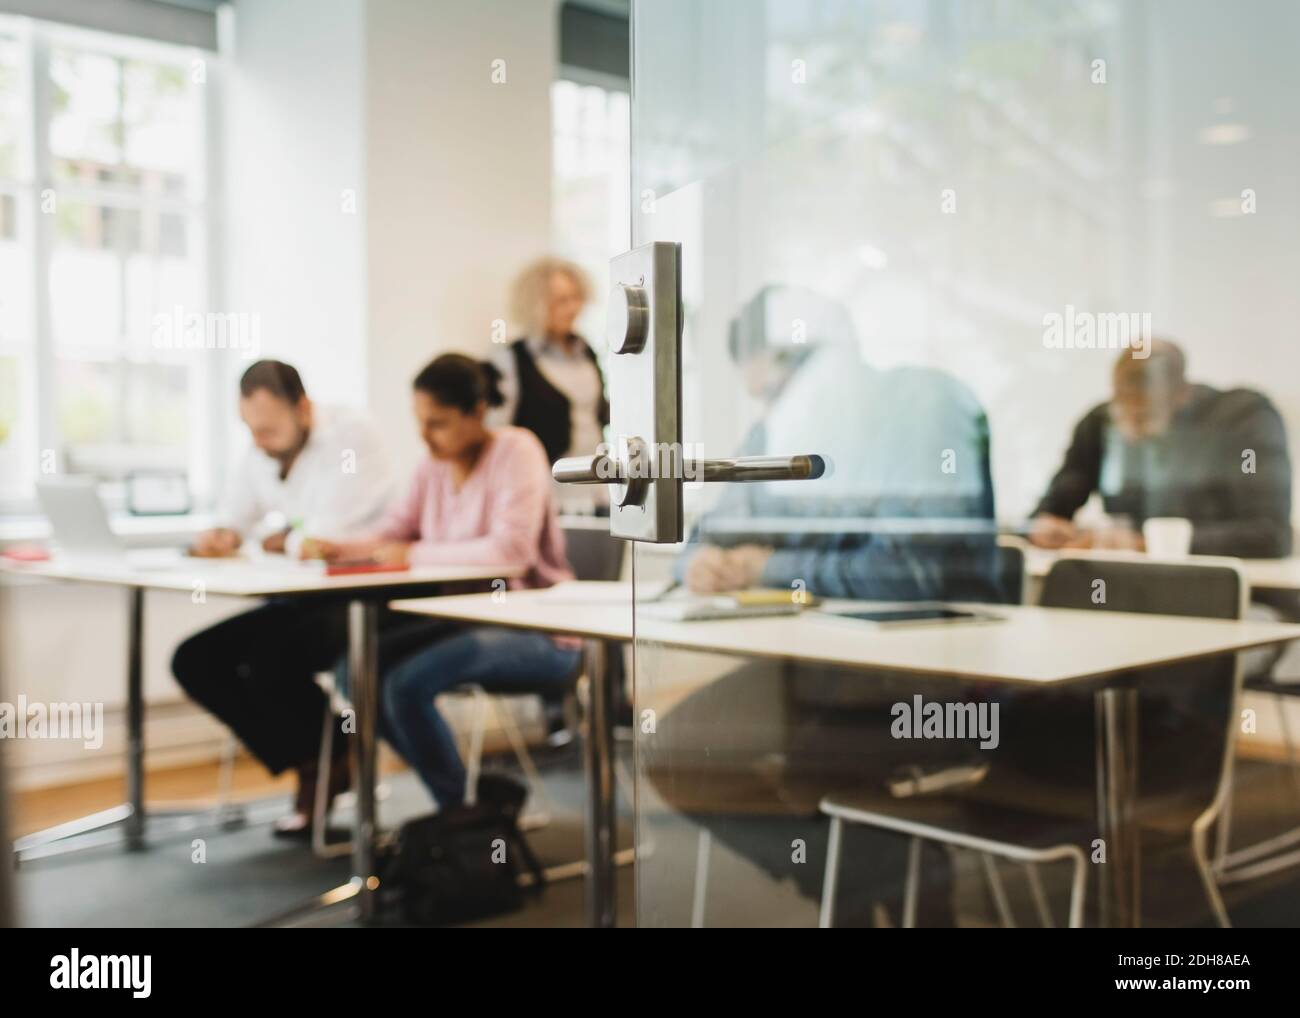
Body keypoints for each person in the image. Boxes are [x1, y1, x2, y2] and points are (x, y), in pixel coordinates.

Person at [650, 286, 1002, 927]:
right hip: (829, 665)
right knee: (680, 749)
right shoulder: (781, 429)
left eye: (781, 388)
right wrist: (697, 563)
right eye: (765, 396)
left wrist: (770, 568)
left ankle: (873, 887)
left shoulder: (918, 411)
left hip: (935, 671)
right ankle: (866, 883)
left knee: (814, 761)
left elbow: (910, 574)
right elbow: (711, 530)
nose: (775, 409)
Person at [310, 354, 580, 810]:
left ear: (477, 412)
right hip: (462, 621)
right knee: (352, 670)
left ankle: (460, 811)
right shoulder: (433, 465)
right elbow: (395, 531)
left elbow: (511, 554)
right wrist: (342, 547)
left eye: (438, 423)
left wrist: (412, 554)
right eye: (420, 423)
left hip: (538, 629)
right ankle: (460, 806)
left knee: (403, 685)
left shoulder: (517, 451)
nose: (425, 437)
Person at [172, 359, 393, 837]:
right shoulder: (262, 448)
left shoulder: (353, 436)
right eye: (250, 429)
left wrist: (282, 538)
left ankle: (325, 760)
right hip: (301, 595)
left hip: (361, 594)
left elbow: (323, 538)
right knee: (195, 660)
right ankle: (319, 755)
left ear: (304, 408)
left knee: (271, 658)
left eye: (269, 428)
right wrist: (221, 536)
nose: (258, 441)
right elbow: (238, 518)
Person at [1029, 340, 1292, 558]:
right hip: (1127, 586)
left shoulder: (1244, 419)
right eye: (1123, 413)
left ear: (1181, 396)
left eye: (1143, 416)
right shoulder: (1100, 423)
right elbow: (1053, 509)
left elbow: (1271, 536)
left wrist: (1143, 543)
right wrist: (1046, 525)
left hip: (1224, 587)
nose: (1130, 430)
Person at [490, 256, 609, 488]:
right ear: (536, 304)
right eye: (561, 301)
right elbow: (499, 432)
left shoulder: (587, 352)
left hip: (595, 483)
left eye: (576, 298)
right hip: (541, 486)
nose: (573, 308)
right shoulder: (512, 359)